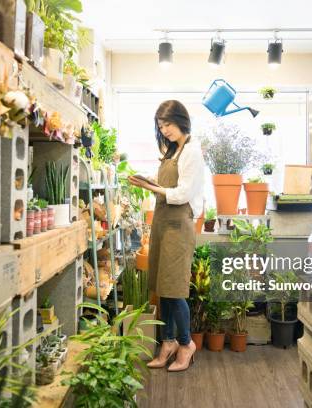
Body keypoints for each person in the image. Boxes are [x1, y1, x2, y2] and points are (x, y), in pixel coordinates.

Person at [128, 100, 205, 372]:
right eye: (161, 126)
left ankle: (186, 344)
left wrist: (152, 187)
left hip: (179, 226)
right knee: (162, 289)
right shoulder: (173, 151)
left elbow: (182, 193)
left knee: (174, 290)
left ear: (181, 120)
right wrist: (146, 181)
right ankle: (168, 342)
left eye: (168, 124)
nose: (165, 130)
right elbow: (169, 186)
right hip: (162, 223)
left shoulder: (192, 151)